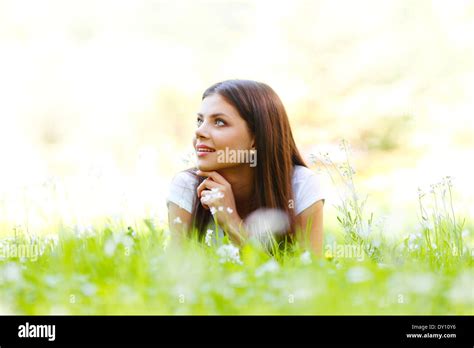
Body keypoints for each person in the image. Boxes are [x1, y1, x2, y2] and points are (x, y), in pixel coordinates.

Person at [166, 79, 326, 255]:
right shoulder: (187, 186)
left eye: (219, 122)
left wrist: (231, 223)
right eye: (199, 121)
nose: (199, 131)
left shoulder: (301, 185)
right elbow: (174, 273)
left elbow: (308, 274)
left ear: (256, 138)